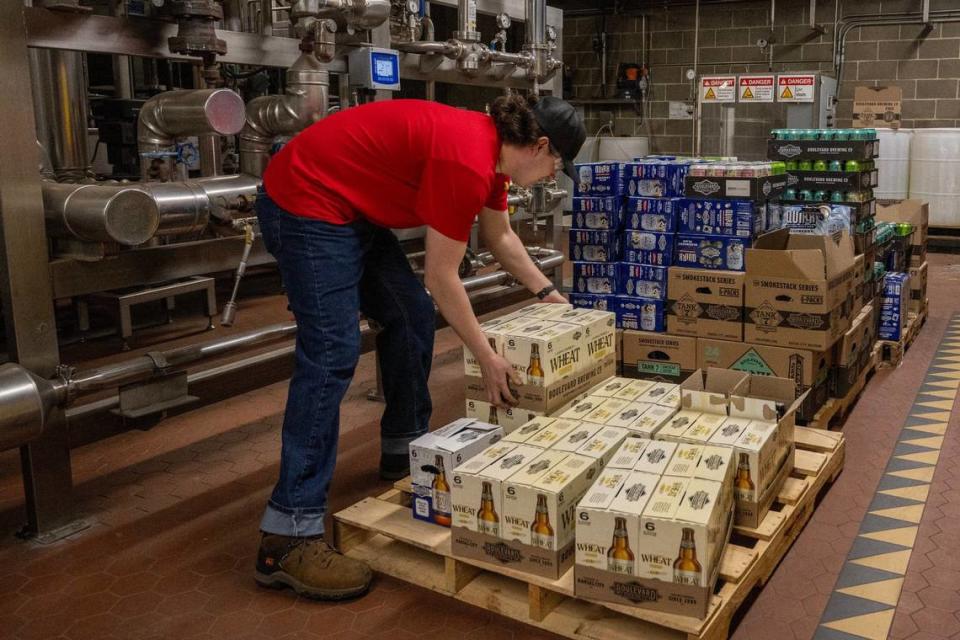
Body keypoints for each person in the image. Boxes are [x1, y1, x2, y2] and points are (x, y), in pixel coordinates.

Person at [253, 94, 586, 600]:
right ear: (540, 146)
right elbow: (441, 275)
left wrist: (549, 294)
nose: (550, 177)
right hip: (307, 199)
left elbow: (500, 236)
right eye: (556, 166)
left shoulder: (494, 158)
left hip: (351, 206)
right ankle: (288, 535)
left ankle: (401, 448)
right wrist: (486, 356)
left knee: (409, 315)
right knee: (332, 351)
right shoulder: (467, 161)